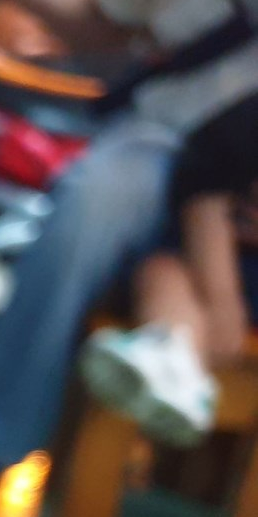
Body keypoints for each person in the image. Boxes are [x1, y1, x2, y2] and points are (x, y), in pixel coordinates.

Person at [0, 0, 258, 517]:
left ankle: (181, 395)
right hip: (169, 135)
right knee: (89, 208)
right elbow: (108, 20)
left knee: (181, 269)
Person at [81, 92, 258, 446]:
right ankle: (175, 366)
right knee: (159, 270)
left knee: (162, 270)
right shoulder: (245, 120)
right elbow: (203, 192)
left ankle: (178, 369)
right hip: (212, 261)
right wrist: (222, 300)